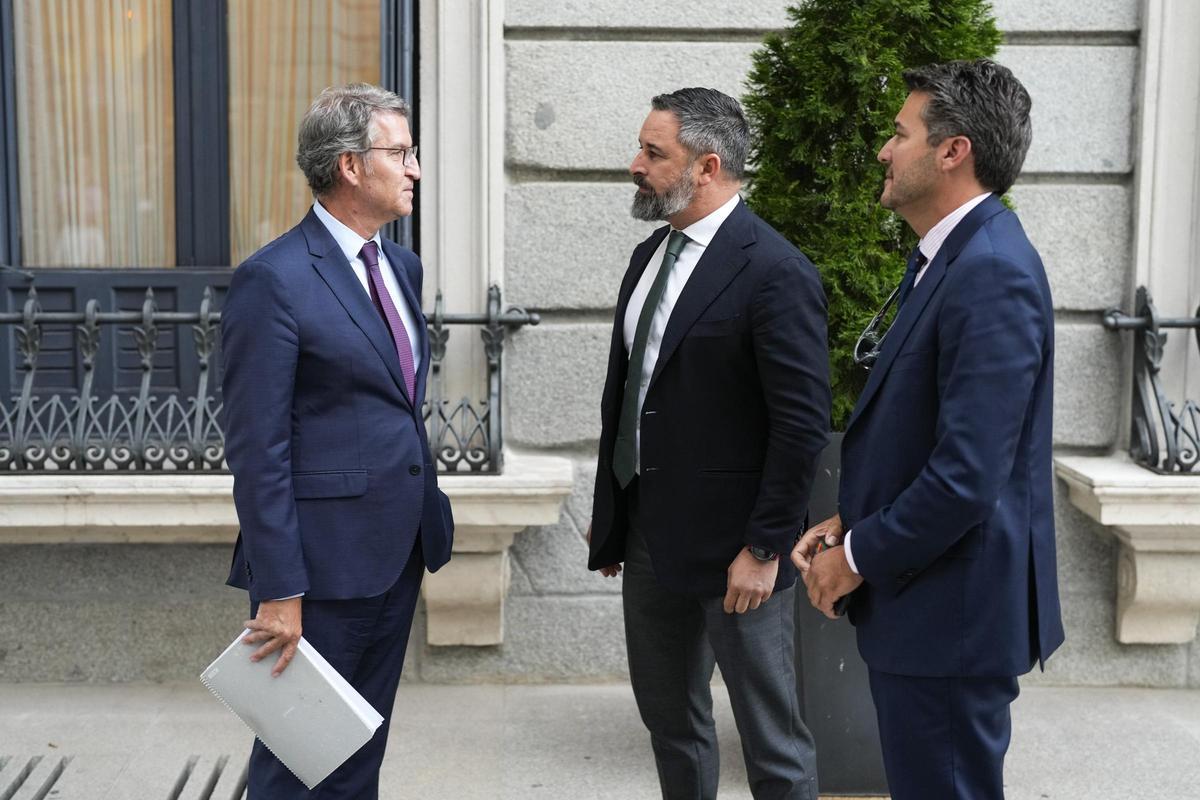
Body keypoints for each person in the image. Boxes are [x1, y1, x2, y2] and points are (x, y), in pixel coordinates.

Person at [793, 59, 1065, 800]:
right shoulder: (953, 259)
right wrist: (855, 517)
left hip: (951, 619)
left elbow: (968, 475)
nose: (884, 150)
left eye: (899, 133)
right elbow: (932, 438)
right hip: (932, 610)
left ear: (954, 150)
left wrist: (857, 553)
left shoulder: (991, 270)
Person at [587, 87, 831, 800]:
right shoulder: (646, 258)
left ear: (708, 166)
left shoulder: (775, 271)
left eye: (654, 153)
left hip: (738, 558)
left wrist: (762, 549)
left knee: (773, 745)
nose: (636, 164)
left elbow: (800, 425)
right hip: (648, 543)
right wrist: (616, 527)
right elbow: (633, 400)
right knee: (671, 727)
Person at [221, 83, 453, 799]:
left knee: (358, 754)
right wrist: (280, 589)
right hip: (319, 571)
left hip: (397, 550)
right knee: (297, 763)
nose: (414, 168)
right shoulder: (274, 279)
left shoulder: (401, 268)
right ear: (351, 165)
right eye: (401, 153)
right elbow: (258, 450)